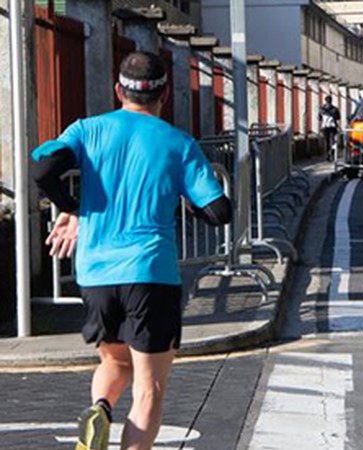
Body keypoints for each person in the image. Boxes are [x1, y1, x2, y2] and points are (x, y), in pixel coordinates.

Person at [31, 52, 232, 450]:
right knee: (149, 390)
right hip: (151, 273)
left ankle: (101, 410)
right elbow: (218, 211)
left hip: (95, 274)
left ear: (119, 89)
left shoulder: (87, 130)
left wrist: (74, 208)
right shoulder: (178, 143)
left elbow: (43, 168)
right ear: (166, 94)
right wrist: (186, 199)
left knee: (115, 361)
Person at [318, 95, 341, 161]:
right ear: (331, 101)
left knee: (326, 141)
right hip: (332, 127)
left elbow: (319, 118)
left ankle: (327, 155)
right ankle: (333, 154)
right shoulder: (335, 109)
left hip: (324, 127)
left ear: (325, 100)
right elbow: (338, 118)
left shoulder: (322, 109)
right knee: (333, 141)